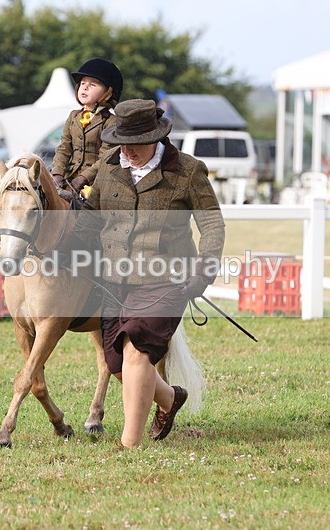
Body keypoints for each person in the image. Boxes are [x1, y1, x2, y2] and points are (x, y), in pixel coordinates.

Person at [73, 99, 226, 449]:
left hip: (166, 279)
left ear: (156, 137)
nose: (129, 150)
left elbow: (212, 225)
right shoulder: (110, 169)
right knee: (116, 362)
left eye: (137, 142)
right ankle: (170, 399)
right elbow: (89, 222)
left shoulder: (187, 171)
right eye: (123, 142)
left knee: (136, 350)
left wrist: (202, 273)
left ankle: (130, 445)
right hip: (114, 281)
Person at [50, 58, 123, 200]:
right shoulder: (73, 116)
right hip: (69, 179)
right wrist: (57, 174)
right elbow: (64, 148)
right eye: (82, 83)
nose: (84, 87)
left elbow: (105, 158)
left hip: (97, 182)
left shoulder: (111, 122)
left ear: (108, 92)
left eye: (93, 85)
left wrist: (83, 178)